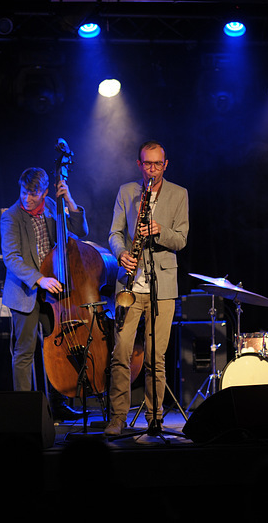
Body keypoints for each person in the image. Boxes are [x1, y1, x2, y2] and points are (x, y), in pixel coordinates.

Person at [104, 140, 189, 436]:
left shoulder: (179, 194)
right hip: (129, 284)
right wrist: (120, 253)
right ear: (139, 164)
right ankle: (117, 418)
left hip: (162, 287)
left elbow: (181, 240)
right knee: (121, 353)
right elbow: (115, 232)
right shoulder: (127, 191)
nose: (152, 169)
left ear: (166, 164)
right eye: (147, 164)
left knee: (156, 357)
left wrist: (160, 230)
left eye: (157, 164)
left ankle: (155, 417)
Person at [0, 167, 88, 421]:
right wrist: (40, 279)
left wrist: (69, 200)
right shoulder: (12, 216)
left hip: (53, 292)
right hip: (26, 291)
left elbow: (81, 232)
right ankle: (24, 409)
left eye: (33, 193)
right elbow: (12, 258)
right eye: (24, 192)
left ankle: (58, 404)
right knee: (24, 351)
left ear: (45, 192)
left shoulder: (52, 205)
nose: (27, 198)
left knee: (56, 349)